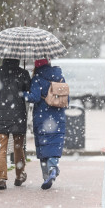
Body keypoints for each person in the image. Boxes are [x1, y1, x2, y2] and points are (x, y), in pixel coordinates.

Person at [23, 58, 68, 190]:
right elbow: (67, 97)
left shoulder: (37, 78)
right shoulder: (60, 77)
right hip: (58, 117)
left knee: (43, 147)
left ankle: (46, 175)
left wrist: (23, 93)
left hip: (42, 118)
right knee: (54, 144)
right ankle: (53, 167)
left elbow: (34, 97)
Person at [0, 58, 31, 190]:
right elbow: (29, 91)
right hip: (18, 115)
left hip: (1, 114)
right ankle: (19, 175)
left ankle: (1, 179)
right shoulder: (23, 73)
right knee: (18, 147)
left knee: (1, 148)